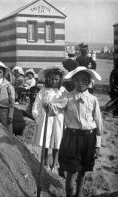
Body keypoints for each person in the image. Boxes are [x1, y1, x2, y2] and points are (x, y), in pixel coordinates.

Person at [43, 66, 102, 197]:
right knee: (72, 171)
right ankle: (69, 193)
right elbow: (54, 109)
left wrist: (97, 145)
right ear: (73, 81)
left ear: (89, 82)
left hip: (89, 138)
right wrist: (48, 105)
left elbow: (98, 124)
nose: (80, 83)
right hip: (72, 138)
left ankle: (79, 194)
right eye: (77, 80)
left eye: (84, 80)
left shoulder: (93, 100)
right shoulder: (67, 97)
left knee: (83, 171)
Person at [32, 65, 67, 172]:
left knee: (57, 140)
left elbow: (66, 104)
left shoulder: (62, 91)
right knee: (45, 140)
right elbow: (37, 104)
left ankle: (55, 163)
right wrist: (37, 117)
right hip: (46, 118)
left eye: (56, 79)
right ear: (47, 78)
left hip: (58, 119)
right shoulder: (43, 91)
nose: (53, 81)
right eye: (51, 79)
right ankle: (45, 161)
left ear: (60, 79)